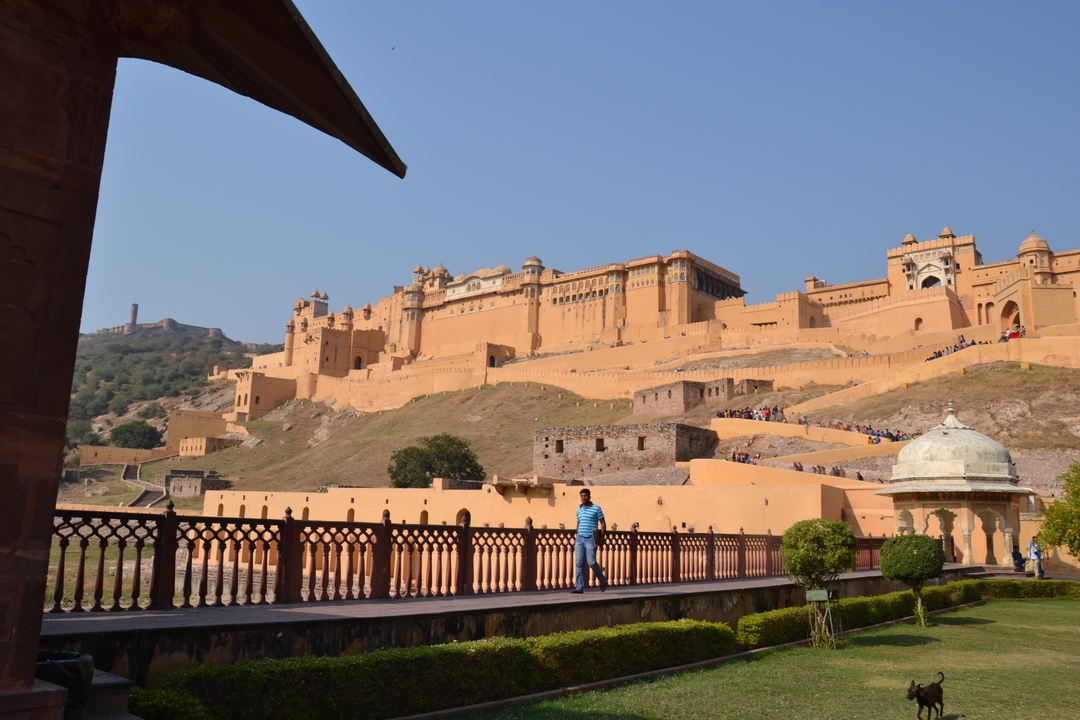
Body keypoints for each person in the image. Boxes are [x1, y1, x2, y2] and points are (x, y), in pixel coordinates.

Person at [572, 488, 608, 593]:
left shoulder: (596, 508)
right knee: (579, 563)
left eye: (585, 496)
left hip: (591, 539)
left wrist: (602, 538)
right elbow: (578, 523)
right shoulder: (578, 510)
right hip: (580, 538)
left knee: (591, 562)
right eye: (582, 496)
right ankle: (579, 587)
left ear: (589, 496)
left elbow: (602, 523)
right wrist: (577, 534)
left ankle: (602, 580)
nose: (583, 498)